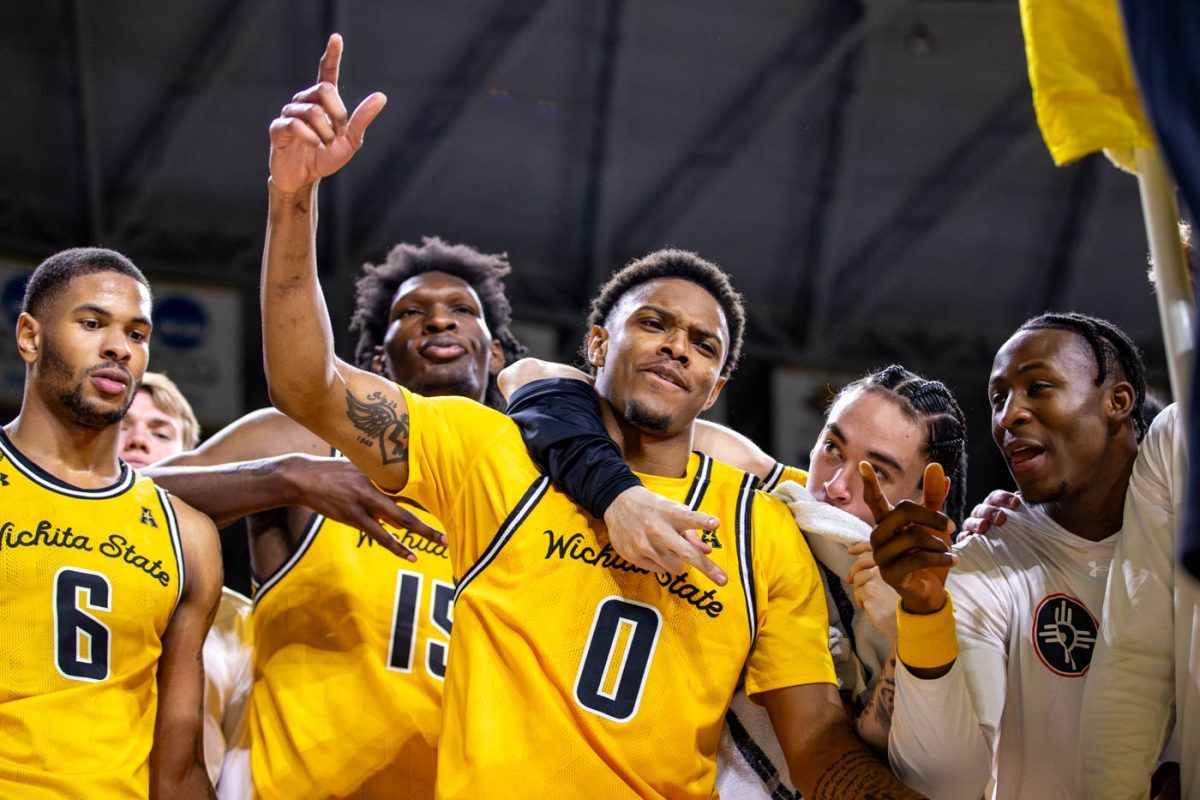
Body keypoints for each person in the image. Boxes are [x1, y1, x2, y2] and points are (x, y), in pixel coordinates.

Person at [257, 34, 925, 799]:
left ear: (714, 387)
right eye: (654, 324)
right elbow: (307, 385)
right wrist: (293, 198)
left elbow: (817, 748)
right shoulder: (490, 453)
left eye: (703, 345)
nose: (677, 347)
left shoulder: (759, 530)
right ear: (597, 344)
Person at [497, 361, 970, 798]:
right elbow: (531, 375)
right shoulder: (769, 494)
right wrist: (617, 493)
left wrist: (911, 626)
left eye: (878, 473)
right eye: (832, 447)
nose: (835, 486)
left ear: (925, 495)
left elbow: (922, 766)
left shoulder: (950, 593)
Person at [159, 234, 521, 799]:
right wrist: (287, 477)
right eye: (412, 312)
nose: (439, 322)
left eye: (462, 311)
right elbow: (125, 499)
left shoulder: (527, 487)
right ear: (377, 360)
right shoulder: (305, 442)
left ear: (495, 354)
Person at [867, 312, 1147, 799]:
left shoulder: (1175, 536)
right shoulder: (983, 558)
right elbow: (944, 782)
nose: (1008, 415)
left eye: (1038, 387)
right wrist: (924, 613)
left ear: (1117, 402)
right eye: (998, 398)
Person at [0, 247, 222, 798]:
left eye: (138, 334)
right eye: (92, 323)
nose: (118, 348)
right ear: (30, 336)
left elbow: (179, 771)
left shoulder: (187, 534)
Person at [118, 371, 253, 799]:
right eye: (122, 425)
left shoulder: (239, 620)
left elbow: (240, 763)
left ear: (190, 460)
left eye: (161, 432)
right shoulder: (30, 563)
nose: (138, 440)